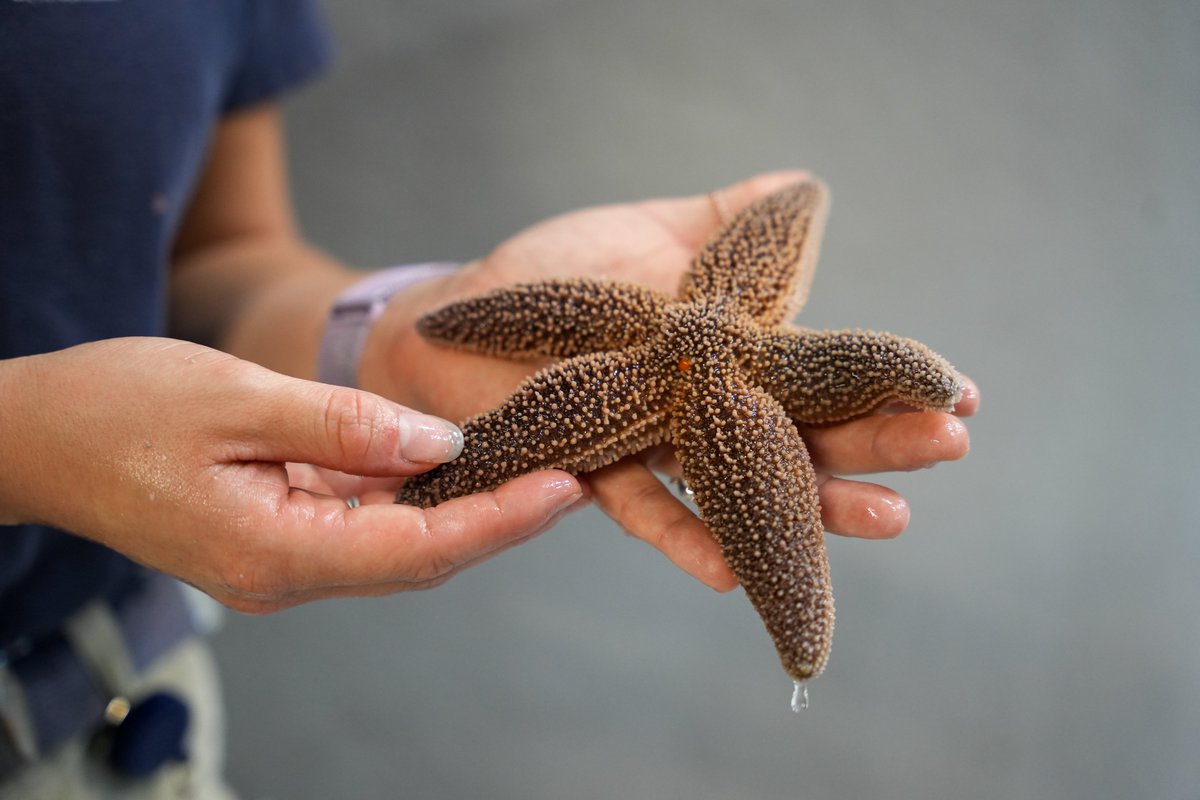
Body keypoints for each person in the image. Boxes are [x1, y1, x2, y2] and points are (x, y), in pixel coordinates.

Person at [0, 2, 977, 796]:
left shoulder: (685, 347)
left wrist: (392, 328)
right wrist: (27, 447)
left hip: (122, 715)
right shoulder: (684, 358)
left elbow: (217, 262)